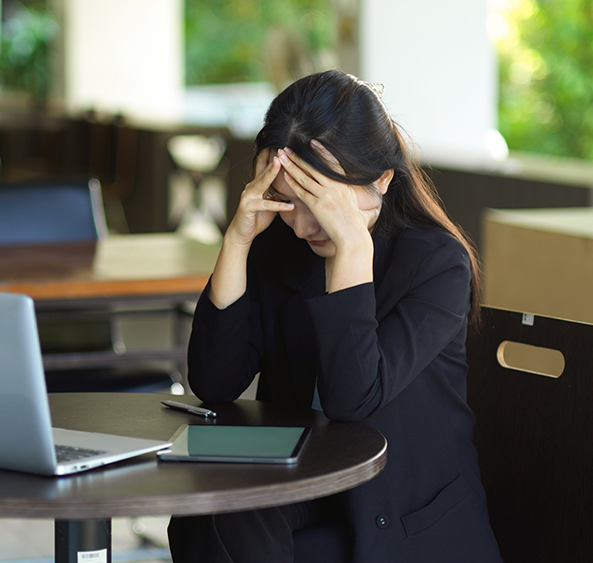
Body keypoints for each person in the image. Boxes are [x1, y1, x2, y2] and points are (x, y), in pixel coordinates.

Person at [167, 70, 503, 563]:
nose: (303, 225)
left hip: (406, 521)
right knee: (214, 506)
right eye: (287, 201)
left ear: (382, 180)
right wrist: (237, 243)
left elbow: (353, 398)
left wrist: (349, 251)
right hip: (310, 487)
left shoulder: (435, 263)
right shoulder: (280, 247)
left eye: (321, 202)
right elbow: (214, 381)